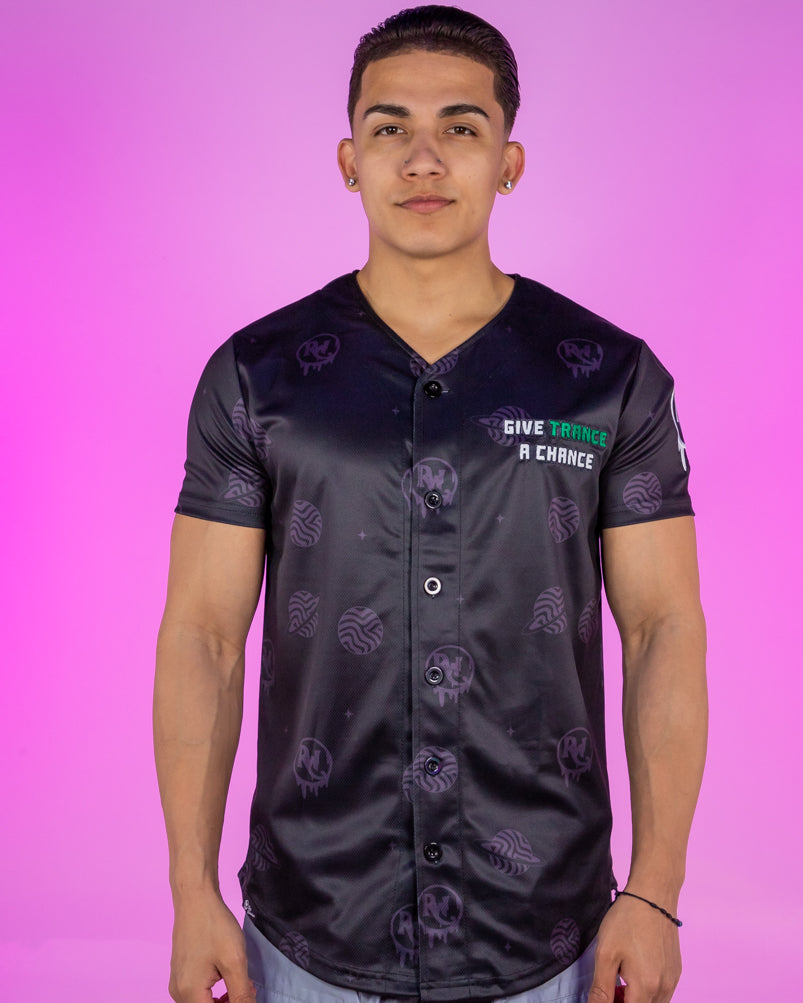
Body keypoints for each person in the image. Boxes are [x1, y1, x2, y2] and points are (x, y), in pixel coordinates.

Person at [153, 7, 707, 1003]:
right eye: (388, 128)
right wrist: (192, 893)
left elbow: (662, 628)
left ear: (508, 162)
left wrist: (655, 893)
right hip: (309, 931)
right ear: (348, 159)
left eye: (459, 126)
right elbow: (204, 637)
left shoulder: (608, 379)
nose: (421, 159)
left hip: (547, 937)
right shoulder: (256, 377)